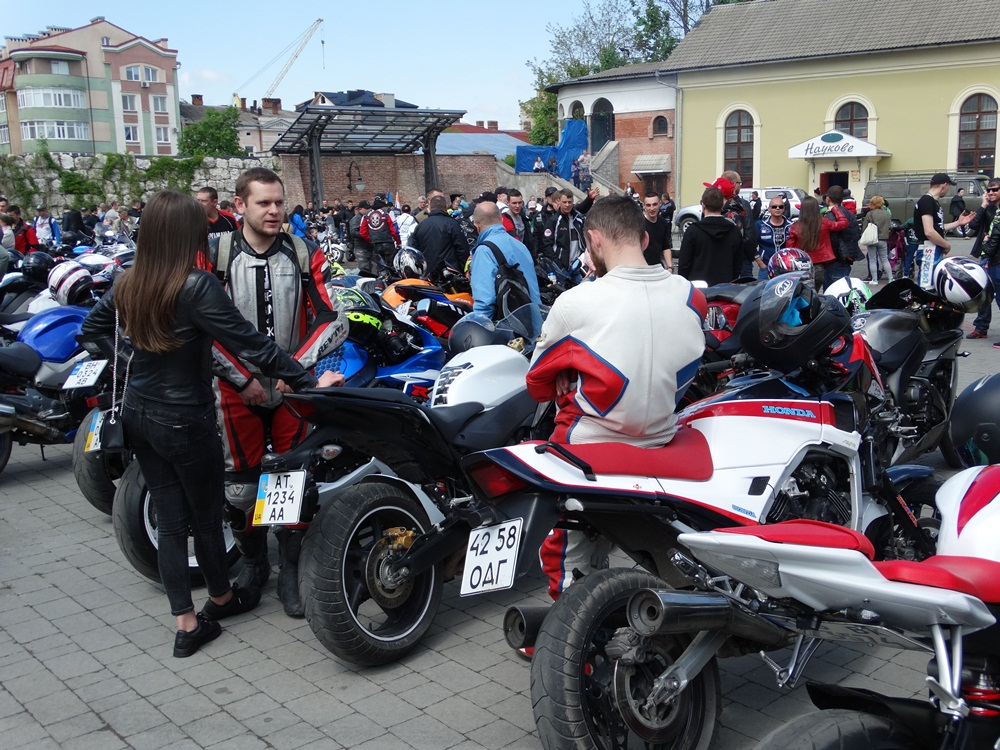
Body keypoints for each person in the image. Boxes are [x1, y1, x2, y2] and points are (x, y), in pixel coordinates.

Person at [81, 190, 343, 657]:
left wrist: (131, 361)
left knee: (171, 520)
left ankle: (186, 624)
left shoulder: (128, 280)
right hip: (186, 418)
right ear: (187, 233)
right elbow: (253, 346)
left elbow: (91, 331)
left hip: (139, 415)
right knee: (205, 517)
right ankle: (221, 598)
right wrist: (309, 382)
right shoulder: (195, 285)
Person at [526, 195, 706, 599]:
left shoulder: (576, 302)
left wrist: (567, 369)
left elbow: (537, 383)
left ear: (593, 241)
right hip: (662, 440)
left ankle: (569, 620)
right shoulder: (691, 296)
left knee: (565, 558)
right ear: (645, 239)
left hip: (588, 448)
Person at [207, 167, 346, 618]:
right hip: (235, 388)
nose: (273, 211)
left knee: (293, 480)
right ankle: (253, 565)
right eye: (263, 203)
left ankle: (290, 569)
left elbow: (333, 318)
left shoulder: (304, 252)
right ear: (239, 205)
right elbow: (199, 324)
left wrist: (295, 369)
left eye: (279, 202)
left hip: (292, 388)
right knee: (239, 487)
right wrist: (242, 379)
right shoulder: (215, 254)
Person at [468, 201, 542, 335]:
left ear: (476, 226)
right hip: (531, 324)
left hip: (507, 330)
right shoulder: (520, 245)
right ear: (501, 219)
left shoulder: (484, 251)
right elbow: (533, 290)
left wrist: (479, 332)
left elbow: (484, 302)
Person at [678, 187, 744, 286]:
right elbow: (738, 264)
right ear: (723, 205)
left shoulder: (693, 231)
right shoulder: (734, 231)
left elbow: (684, 264)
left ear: (703, 205)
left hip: (698, 287)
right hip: (725, 287)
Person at [914, 173, 975, 271]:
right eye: (949, 186)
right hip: (929, 249)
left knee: (934, 279)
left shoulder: (933, 202)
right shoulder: (927, 201)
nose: (948, 189)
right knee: (928, 281)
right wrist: (946, 244)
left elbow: (938, 227)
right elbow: (929, 232)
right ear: (944, 185)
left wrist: (958, 223)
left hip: (933, 249)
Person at [786, 195, 849, 290]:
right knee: (815, 291)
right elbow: (844, 223)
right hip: (820, 264)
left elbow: (790, 248)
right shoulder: (824, 223)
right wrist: (834, 209)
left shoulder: (795, 227)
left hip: (801, 265)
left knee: (803, 292)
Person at [967, 178, 1000, 339]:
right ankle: (981, 327)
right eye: (989, 190)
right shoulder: (988, 208)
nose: (991, 192)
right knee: (983, 292)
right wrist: (983, 205)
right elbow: (972, 226)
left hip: (996, 255)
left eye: (995, 190)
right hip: (986, 255)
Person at [409, 194, 469, 280]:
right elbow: (462, 249)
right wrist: (463, 270)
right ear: (446, 207)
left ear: (430, 207)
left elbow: (413, 250)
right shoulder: (452, 224)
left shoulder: (420, 226)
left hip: (427, 274)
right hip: (450, 273)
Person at [543, 189, 588, 279]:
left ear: (573, 201)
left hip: (579, 264)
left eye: (569, 202)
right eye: (564, 202)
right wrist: (558, 265)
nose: (567, 205)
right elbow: (547, 246)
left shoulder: (579, 219)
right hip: (562, 267)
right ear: (559, 202)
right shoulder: (553, 221)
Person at [824, 185, 861, 288]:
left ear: (828, 198)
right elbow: (857, 233)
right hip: (847, 257)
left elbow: (832, 239)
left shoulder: (831, 216)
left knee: (832, 290)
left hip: (835, 259)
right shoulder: (849, 214)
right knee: (843, 287)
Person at [755, 196, 793, 280]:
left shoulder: (791, 225)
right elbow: (752, 245)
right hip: (766, 267)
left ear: (784, 209)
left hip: (787, 269)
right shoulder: (760, 225)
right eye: (774, 206)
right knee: (763, 288)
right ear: (769, 209)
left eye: (780, 206)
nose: (777, 208)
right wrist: (760, 263)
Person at [359, 197, 400, 274]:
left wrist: (371, 239)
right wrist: (398, 242)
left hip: (375, 244)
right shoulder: (388, 212)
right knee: (391, 267)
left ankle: (381, 279)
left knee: (379, 267)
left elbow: (362, 232)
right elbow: (394, 230)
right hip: (388, 242)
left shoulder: (366, 214)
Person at [861, 195, 892, 283]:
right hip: (883, 239)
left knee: (872, 260)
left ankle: (874, 280)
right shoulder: (886, 213)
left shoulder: (870, 214)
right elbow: (889, 226)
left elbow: (864, 227)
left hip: (872, 239)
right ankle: (890, 278)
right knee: (885, 260)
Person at [641, 192, 671, 268]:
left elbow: (666, 246)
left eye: (655, 204)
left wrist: (670, 267)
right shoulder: (638, 224)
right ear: (644, 206)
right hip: (642, 268)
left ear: (660, 204)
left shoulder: (663, 223)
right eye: (648, 205)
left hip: (658, 266)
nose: (652, 208)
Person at [507, 189, 534, 256]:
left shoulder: (523, 217)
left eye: (519, 203)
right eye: (514, 203)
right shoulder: (504, 219)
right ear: (508, 203)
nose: (517, 206)